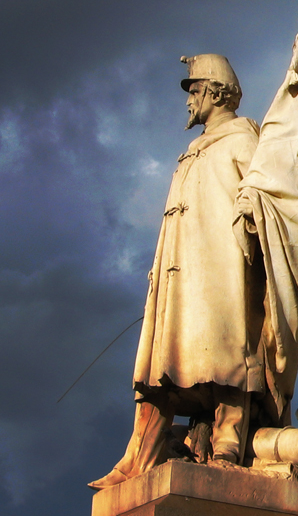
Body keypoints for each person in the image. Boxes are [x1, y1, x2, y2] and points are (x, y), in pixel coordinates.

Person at [89, 54, 264, 489]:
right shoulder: (193, 150)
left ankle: (226, 445)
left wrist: (253, 207)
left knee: (226, 354)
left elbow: (271, 196)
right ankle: (139, 456)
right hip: (178, 274)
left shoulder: (244, 139)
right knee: (159, 365)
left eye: (193, 91)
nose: (188, 101)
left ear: (215, 91)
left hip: (222, 266)